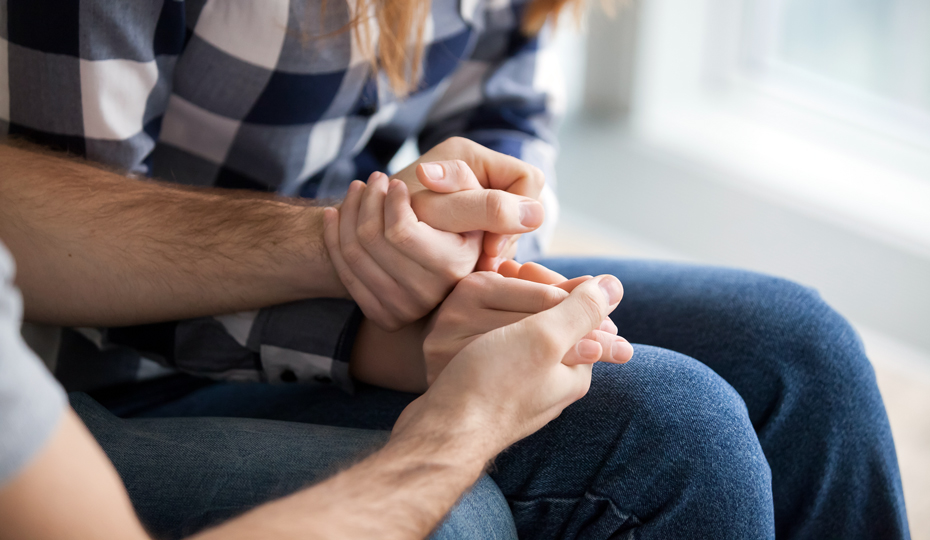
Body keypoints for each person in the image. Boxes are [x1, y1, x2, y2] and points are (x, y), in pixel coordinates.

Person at [0, 0, 911, 539]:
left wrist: (481, 251)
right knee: (668, 425)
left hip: (346, 293)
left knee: (799, 349)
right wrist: (372, 325)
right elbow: (56, 263)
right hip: (104, 372)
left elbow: (508, 115)